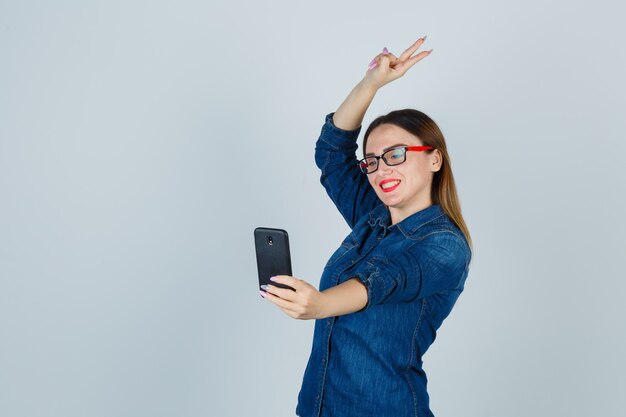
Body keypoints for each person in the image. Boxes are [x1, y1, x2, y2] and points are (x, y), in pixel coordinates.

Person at [259, 37, 473, 417]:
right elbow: (332, 154)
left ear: (435, 159)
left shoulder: (445, 246)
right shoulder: (371, 218)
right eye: (372, 160)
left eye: (396, 155)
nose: (382, 169)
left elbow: (384, 280)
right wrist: (370, 83)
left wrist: (321, 304)